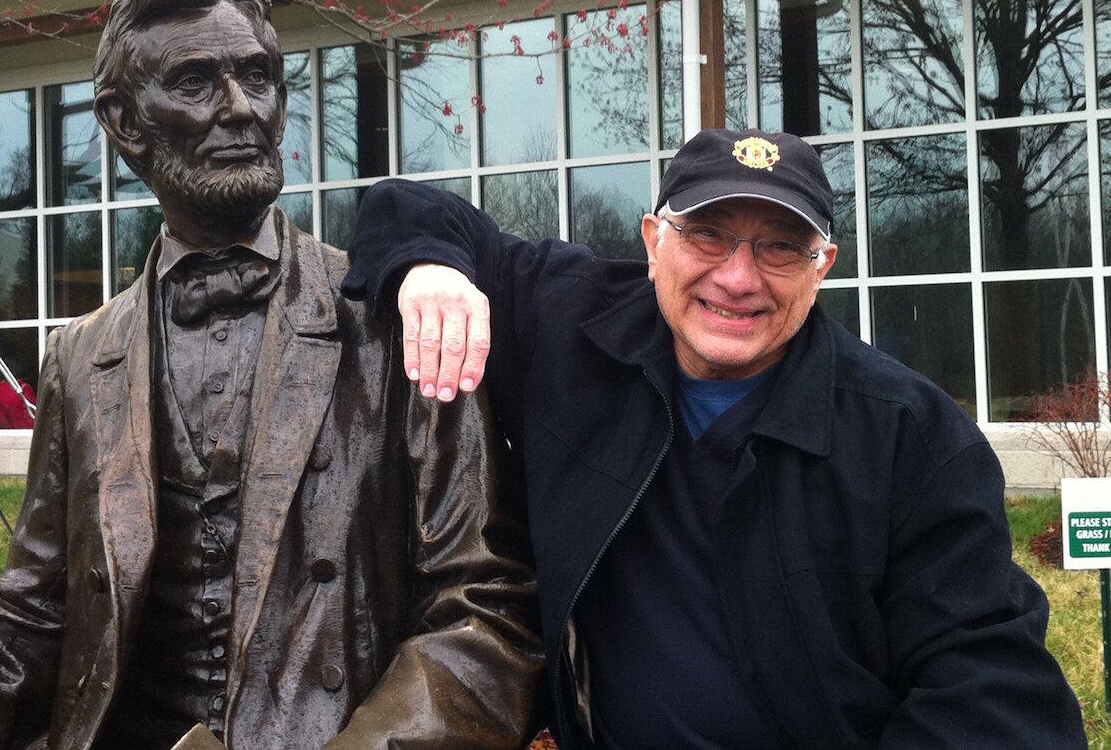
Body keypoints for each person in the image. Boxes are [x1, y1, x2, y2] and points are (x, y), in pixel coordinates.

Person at [0, 0, 543, 749]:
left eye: (257, 77)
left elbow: (483, 607)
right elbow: (27, 619)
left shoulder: (398, 319)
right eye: (195, 82)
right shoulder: (82, 359)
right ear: (124, 123)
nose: (239, 109)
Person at [343, 128, 1087, 747]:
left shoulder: (912, 438)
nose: (737, 277)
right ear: (653, 239)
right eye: (707, 233)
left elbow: (994, 695)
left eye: (780, 247)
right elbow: (402, 204)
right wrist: (433, 270)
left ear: (821, 266)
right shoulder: (574, 326)